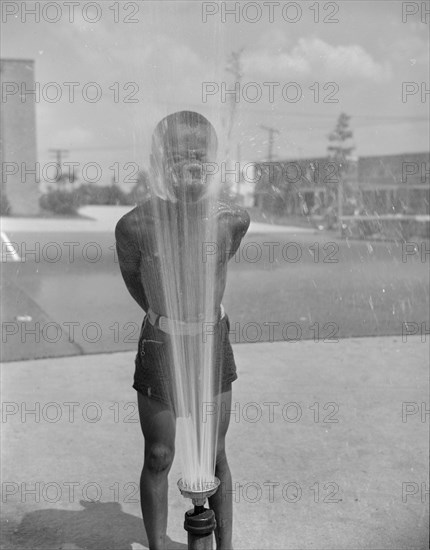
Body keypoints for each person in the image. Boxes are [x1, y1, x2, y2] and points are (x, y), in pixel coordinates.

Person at [115, 111, 250, 550]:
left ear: (213, 161)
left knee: (215, 454)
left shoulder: (232, 219)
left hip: (211, 340)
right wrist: (168, 319)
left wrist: (197, 320)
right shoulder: (134, 226)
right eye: (175, 155)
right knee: (159, 454)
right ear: (158, 162)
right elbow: (138, 284)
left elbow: (215, 267)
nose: (188, 164)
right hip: (160, 342)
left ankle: (225, 546)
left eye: (198, 155)